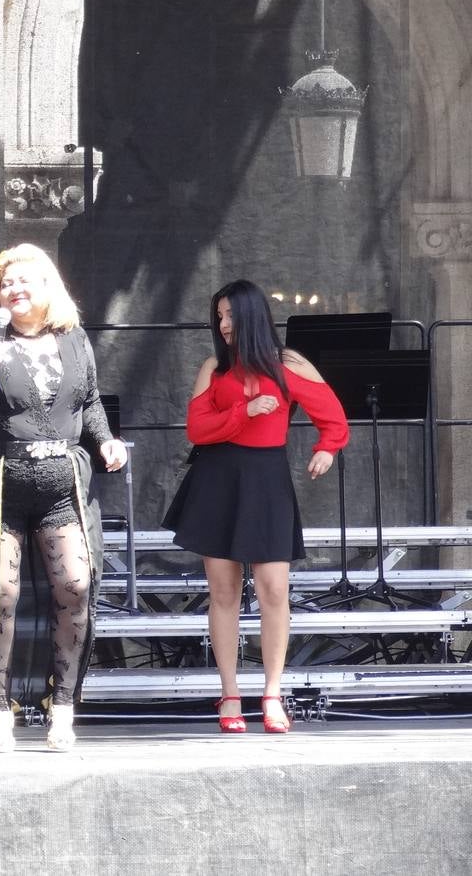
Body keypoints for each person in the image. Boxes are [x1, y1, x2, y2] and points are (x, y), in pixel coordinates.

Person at [0, 244, 128, 752]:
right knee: (1, 595)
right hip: (2, 481)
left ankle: (62, 705)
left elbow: (88, 401)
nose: (13, 289)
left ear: (47, 287)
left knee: (76, 585)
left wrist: (105, 440)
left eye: (23, 281)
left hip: (62, 484)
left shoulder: (73, 339)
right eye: (5, 283)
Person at [162, 279, 348, 734]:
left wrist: (327, 448)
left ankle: (271, 693)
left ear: (252, 315)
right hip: (218, 478)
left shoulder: (288, 363)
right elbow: (197, 430)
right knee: (223, 592)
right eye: (218, 317)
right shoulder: (214, 368)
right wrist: (244, 412)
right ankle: (229, 694)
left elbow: (333, 416)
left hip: (266, 479)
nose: (223, 324)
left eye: (230, 315)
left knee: (274, 589)